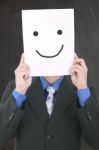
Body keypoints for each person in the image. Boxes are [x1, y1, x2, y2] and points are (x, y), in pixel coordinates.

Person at [0, 53, 99, 150]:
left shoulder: (84, 91)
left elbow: (96, 141)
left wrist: (82, 89)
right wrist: (19, 91)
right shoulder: (16, 88)